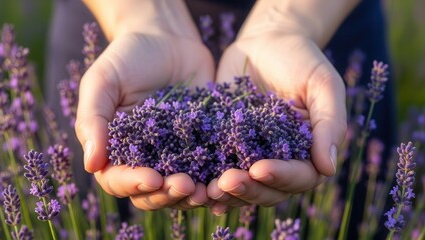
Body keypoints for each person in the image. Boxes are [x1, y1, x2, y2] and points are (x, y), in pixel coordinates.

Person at [47, 0, 396, 220]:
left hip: (323, 20)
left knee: (347, 212)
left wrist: (285, 22)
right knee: (92, 214)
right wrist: (145, 16)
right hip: (116, 20)